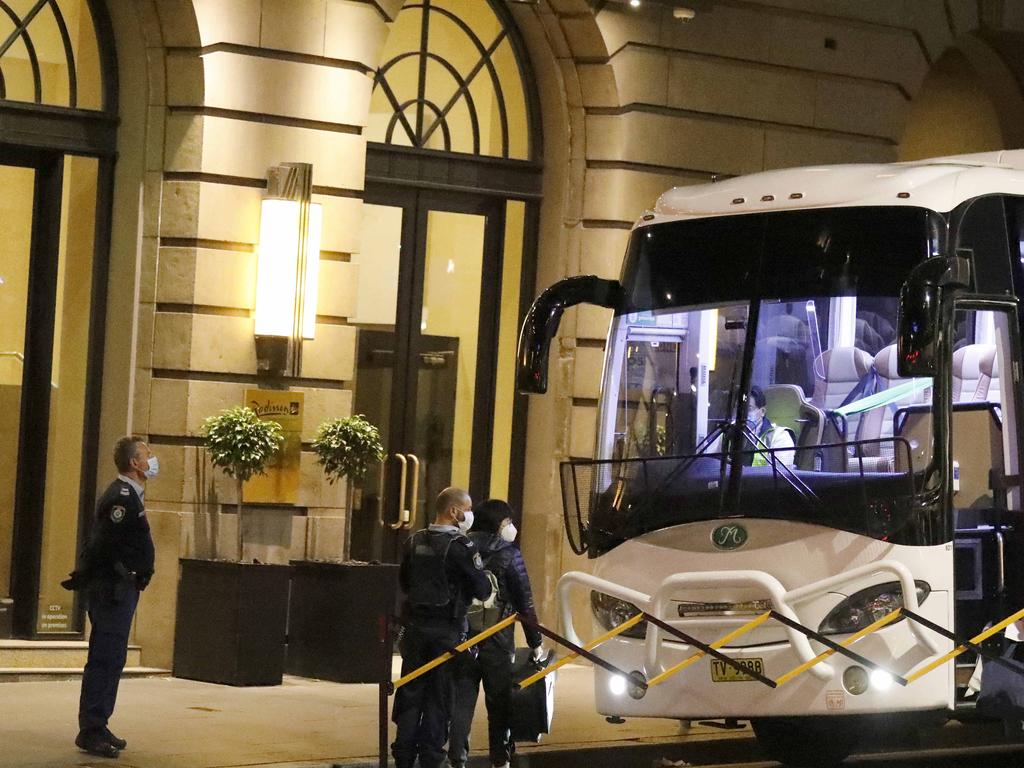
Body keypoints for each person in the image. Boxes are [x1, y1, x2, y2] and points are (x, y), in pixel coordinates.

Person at [62, 436, 157, 758]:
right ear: (134, 463)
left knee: (114, 658)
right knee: (105, 658)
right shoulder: (122, 497)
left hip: (121, 589)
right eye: (147, 456)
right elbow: (103, 545)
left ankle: (99, 723)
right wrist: (106, 576)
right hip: (112, 590)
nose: (151, 460)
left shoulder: (132, 496)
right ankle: (90, 729)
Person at [392, 487, 494, 768]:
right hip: (447, 632)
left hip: (414, 631)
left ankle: (402, 755)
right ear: (454, 511)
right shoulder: (462, 547)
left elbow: (404, 583)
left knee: (410, 692)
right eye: (467, 509)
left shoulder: (413, 541)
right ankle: (430, 757)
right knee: (439, 697)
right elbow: (482, 589)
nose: (469, 515)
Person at [448, 500, 545, 768]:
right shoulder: (509, 553)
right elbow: (525, 602)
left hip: (464, 637)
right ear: (498, 524)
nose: (511, 528)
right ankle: (499, 760)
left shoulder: (460, 548)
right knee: (499, 703)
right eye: (507, 523)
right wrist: (536, 643)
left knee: (462, 702)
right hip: (498, 639)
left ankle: (457, 759)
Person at [743, 385, 795, 468]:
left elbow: (779, 477)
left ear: (762, 412)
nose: (742, 415)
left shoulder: (780, 437)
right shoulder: (726, 434)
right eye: (738, 410)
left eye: (749, 409)